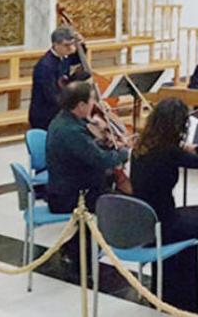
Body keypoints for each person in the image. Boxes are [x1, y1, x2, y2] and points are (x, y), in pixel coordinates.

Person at [130, 99, 198, 312]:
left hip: (143, 221)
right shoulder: (170, 151)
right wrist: (196, 147)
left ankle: (172, 288)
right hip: (163, 224)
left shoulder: (139, 146)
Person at [47, 82, 130, 267]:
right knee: (116, 202)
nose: (94, 104)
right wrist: (124, 153)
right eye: (92, 100)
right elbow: (99, 159)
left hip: (75, 184)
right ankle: (80, 252)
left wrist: (107, 138)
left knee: (109, 188)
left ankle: (77, 247)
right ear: (81, 105)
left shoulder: (68, 119)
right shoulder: (70, 131)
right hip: (68, 194)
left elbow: (92, 149)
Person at [30, 27, 87, 130]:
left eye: (72, 44)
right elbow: (51, 96)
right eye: (66, 45)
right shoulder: (45, 67)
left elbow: (77, 58)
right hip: (45, 115)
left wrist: (81, 44)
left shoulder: (63, 57)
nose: (71, 48)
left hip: (57, 110)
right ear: (55, 45)